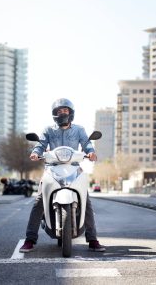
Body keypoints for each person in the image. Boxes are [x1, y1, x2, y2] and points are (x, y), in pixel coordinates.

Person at [19, 98, 106, 253]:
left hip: (73, 168)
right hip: (52, 169)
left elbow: (86, 144)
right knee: (39, 202)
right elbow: (41, 144)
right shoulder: (48, 130)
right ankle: (30, 239)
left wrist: (91, 152)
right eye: (59, 111)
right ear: (54, 114)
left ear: (70, 113)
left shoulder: (79, 129)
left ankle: (92, 239)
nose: (62, 113)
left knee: (86, 201)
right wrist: (35, 152)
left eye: (65, 111)